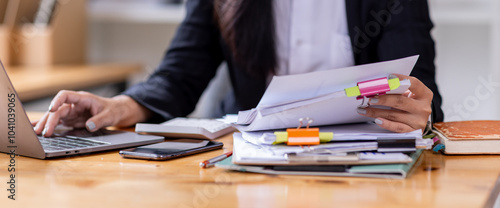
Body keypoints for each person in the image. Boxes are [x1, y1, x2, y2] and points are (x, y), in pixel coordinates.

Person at [33, 0, 444, 136]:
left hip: (362, 160)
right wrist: (121, 105)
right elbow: (182, 72)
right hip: (250, 157)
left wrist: (420, 115)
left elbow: (422, 94)